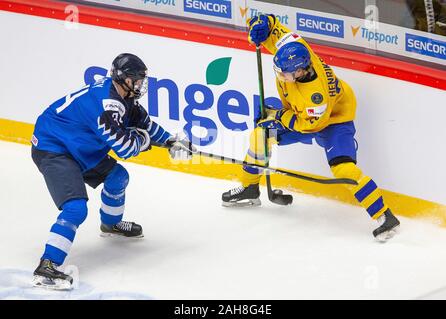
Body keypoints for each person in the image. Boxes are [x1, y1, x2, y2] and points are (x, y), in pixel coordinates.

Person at [222, 15, 400, 242]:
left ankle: (384, 215)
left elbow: (306, 126)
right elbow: (275, 28)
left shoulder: (316, 97)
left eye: (285, 74)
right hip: (303, 113)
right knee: (260, 135)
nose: (280, 76)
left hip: (333, 120)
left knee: (344, 169)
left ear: (301, 72)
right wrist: (261, 24)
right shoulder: (296, 49)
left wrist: (275, 114)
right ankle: (250, 188)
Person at [31, 53, 195, 289]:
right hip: (55, 148)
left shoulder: (123, 95)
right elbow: (125, 147)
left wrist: (170, 141)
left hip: (78, 145)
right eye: (136, 80)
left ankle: (110, 224)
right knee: (75, 208)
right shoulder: (107, 106)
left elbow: (144, 124)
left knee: (118, 176)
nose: (140, 84)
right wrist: (144, 139)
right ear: (123, 78)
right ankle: (47, 266)